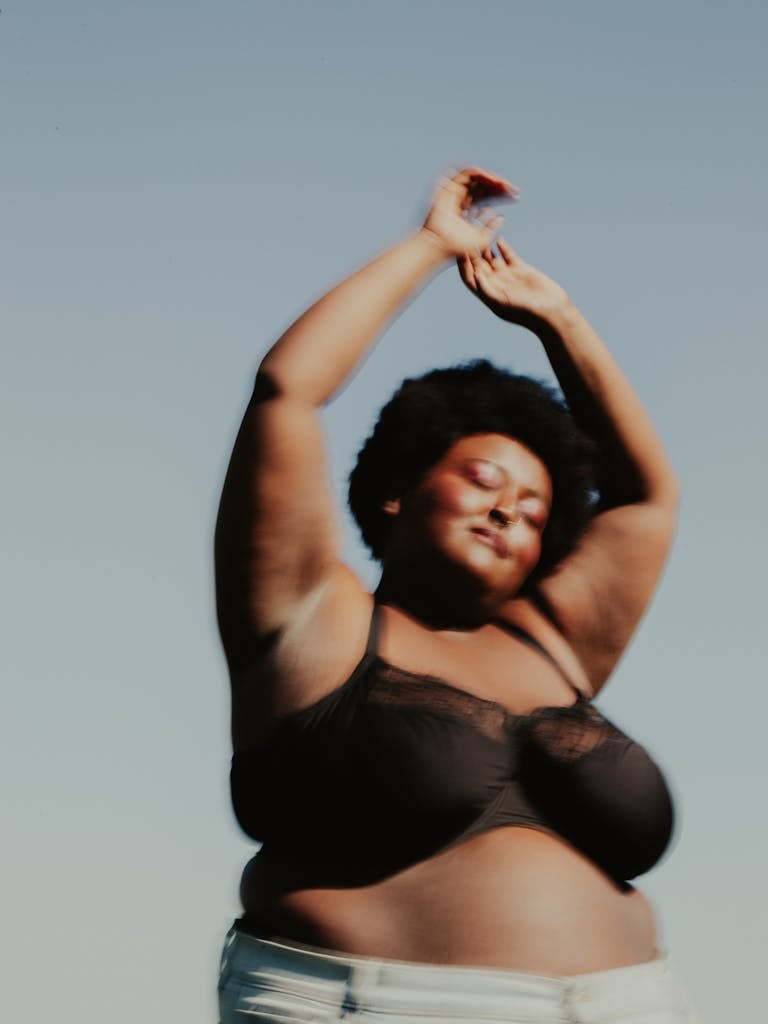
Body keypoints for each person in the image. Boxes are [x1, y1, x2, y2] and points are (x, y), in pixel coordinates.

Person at [214, 168, 698, 1023]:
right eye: (481, 479)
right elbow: (288, 392)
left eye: (535, 508)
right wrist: (434, 246)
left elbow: (646, 497)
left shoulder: (556, 642)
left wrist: (558, 318)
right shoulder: (312, 614)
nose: (508, 506)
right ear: (400, 489)